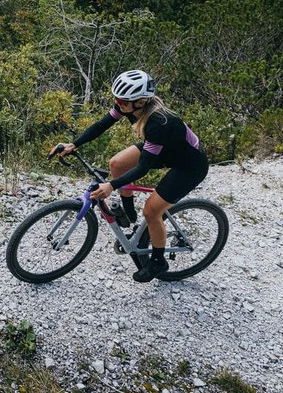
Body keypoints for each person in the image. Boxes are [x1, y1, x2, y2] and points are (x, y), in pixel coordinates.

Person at [49, 69, 209, 283]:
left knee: (151, 211)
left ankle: (158, 261)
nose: (118, 104)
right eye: (116, 99)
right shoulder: (128, 106)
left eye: (122, 101)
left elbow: (143, 168)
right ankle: (129, 214)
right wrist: (74, 144)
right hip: (165, 149)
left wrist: (111, 186)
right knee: (117, 164)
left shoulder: (158, 122)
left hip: (189, 166)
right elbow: (102, 125)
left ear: (141, 102)